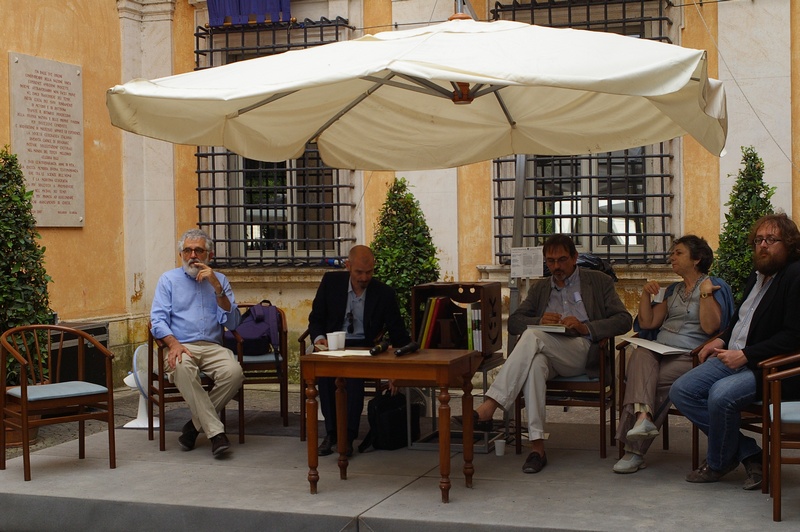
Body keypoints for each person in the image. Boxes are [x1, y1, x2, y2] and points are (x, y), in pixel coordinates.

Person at [472, 234, 632, 473]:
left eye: (562, 260)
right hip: (547, 352)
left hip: (582, 352)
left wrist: (585, 327)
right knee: (535, 363)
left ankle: (490, 404)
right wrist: (539, 319)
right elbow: (515, 321)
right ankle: (537, 449)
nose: (556, 267)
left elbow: (624, 320)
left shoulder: (597, 281)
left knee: (532, 336)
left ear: (575, 258)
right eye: (550, 261)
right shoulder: (540, 288)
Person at [670, 214, 800, 490]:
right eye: (759, 240)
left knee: (721, 396)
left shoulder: (794, 276)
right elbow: (742, 321)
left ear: (788, 244)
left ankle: (718, 462)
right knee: (682, 390)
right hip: (737, 356)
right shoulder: (757, 278)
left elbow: (793, 336)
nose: (763, 245)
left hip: (772, 368)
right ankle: (749, 454)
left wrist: (747, 354)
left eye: (771, 240)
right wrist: (721, 340)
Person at [613, 235, 734, 474]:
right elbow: (648, 323)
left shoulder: (713, 285)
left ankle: (634, 450)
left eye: (678, 253)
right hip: (660, 349)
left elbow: (711, 328)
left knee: (652, 382)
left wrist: (706, 294)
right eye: (672, 253)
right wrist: (646, 295)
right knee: (639, 353)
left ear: (697, 258)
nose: (672, 258)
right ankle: (642, 419)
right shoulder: (673, 290)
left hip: (689, 356)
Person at [308, 245, 411, 457]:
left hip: (364, 346)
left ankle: (348, 435)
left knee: (353, 377)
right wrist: (319, 339)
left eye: (369, 272)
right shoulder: (331, 283)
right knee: (326, 376)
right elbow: (316, 319)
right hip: (332, 343)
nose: (364, 278)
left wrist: (396, 370)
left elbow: (399, 334)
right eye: (359, 272)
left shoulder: (384, 293)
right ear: (348, 266)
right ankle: (332, 433)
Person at [150, 228, 244, 457]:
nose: (193, 255)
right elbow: (157, 320)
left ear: (209, 256)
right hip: (181, 344)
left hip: (212, 346)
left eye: (198, 250)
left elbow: (233, 323)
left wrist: (217, 288)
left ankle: (194, 426)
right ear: (181, 254)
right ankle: (216, 434)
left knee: (234, 373)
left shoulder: (219, 280)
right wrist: (172, 344)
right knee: (182, 367)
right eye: (187, 250)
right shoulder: (168, 280)